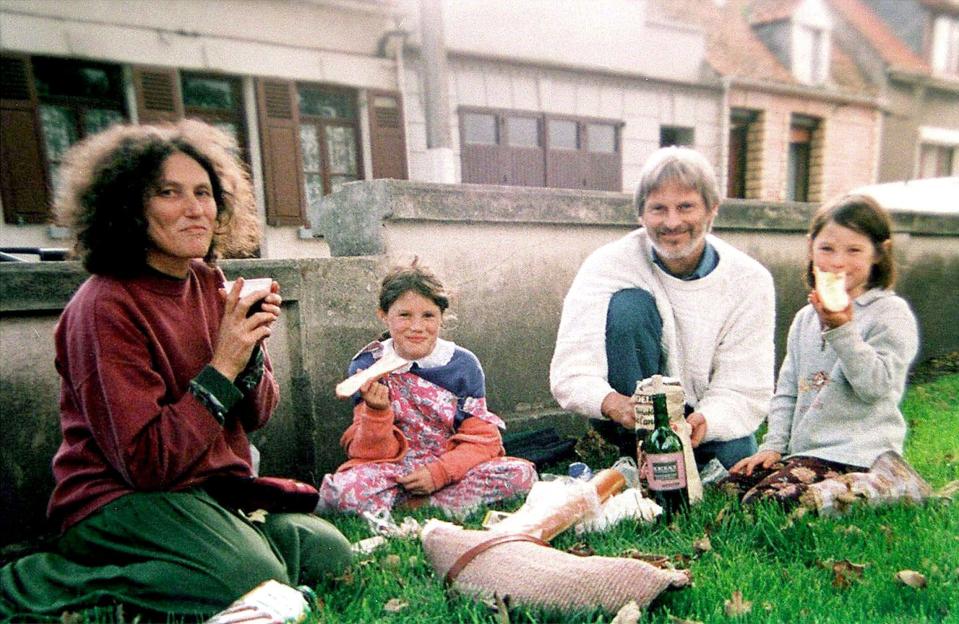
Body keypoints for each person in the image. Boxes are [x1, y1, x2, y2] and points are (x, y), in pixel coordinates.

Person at [0, 120, 351, 618]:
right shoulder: (104, 305)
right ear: (128, 206)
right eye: (169, 192)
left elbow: (256, 416)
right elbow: (146, 464)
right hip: (117, 500)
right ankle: (36, 580)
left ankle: (227, 564)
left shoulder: (209, 282)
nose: (195, 209)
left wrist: (250, 351)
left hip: (204, 490)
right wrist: (224, 363)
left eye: (203, 193)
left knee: (329, 554)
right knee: (250, 576)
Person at [550, 146, 775, 469]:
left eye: (686, 207)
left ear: (712, 209)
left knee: (730, 461)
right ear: (641, 214)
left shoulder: (750, 280)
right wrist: (614, 404)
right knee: (629, 306)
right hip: (631, 414)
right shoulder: (607, 265)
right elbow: (571, 370)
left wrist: (706, 421)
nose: (672, 222)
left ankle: (686, 453)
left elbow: (745, 385)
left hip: (705, 414)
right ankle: (632, 448)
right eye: (658, 208)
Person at [726, 195, 919, 505]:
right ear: (810, 248)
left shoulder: (890, 313)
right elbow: (787, 391)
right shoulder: (805, 318)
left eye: (854, 250)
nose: (838, 262)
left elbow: (876, 387)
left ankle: (880, 485)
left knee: (767, 502)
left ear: (879, 253)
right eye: (827, 249)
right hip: (806, 453)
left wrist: (842, 330)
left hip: (857, 454)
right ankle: (842, 491)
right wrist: (772, 447)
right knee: (729, 488)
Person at [318, 261, 537, 517]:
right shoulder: (367, 365)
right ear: (383, 315)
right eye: (404, 315)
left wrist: (438, 473)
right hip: (394, 470)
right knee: (341, 492)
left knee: (520, 475)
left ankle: (413, 503)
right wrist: (377, 412)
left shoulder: (463, 364)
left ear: (442, 317)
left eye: (428, 316)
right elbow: (369, 454)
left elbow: (483, 440)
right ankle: (438, 502)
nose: (417, 327)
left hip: (450, 464)